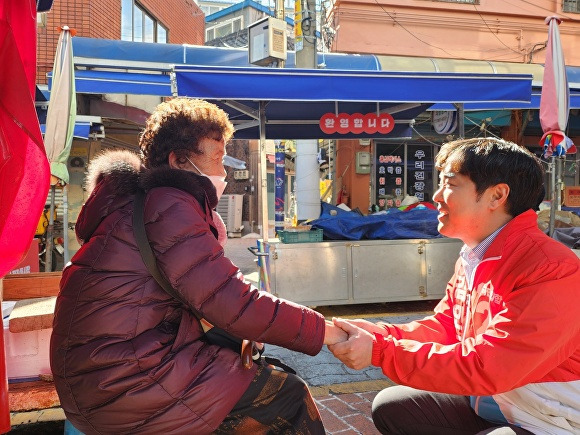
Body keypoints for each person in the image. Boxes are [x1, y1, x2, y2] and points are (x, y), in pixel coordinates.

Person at [50, 98, 346, 434]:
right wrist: (326, 332)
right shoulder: (170, 206)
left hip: (96, 376)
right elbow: (234, 301)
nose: (223, 172)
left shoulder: (139, 202)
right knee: (286, 396)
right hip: (124, 384)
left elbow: (201, 295)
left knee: (248, 361)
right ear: (178, 160)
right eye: (217, 159)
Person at [328, 137, 580, 434]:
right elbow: (447, 328)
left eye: (451, 183)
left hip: (552, 419)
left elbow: (489, 366)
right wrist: (379, 334)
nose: (436, 195)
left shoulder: (550, 268)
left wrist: (381, 350)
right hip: (499, 402)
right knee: (394, 406)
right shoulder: (474, 256)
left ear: (497, 196)